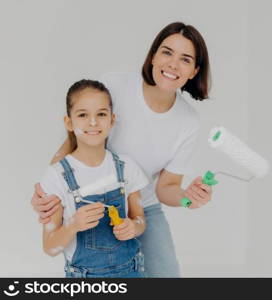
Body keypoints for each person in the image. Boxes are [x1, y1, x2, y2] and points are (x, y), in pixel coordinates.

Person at [32, 22, 213, 277]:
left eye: (185, 59)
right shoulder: (115, 86)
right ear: (152, 56)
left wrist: (188, 199)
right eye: (167, 52)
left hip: (141, 204)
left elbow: (167, 188)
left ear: (194, 71)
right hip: (89, 199)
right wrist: (46, 194)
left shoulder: (188, 122)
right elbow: (72, 144)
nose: (173, 64)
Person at [40, 79, 149, 278]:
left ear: (112, 120)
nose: (93, 122)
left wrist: (133, 227)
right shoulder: (57, 176)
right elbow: (49, 247)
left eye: (101, 114)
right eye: (83, 115)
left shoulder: (126, 167)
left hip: (132, 272)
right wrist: (73, 225)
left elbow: (140, 220)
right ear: (69, 122)